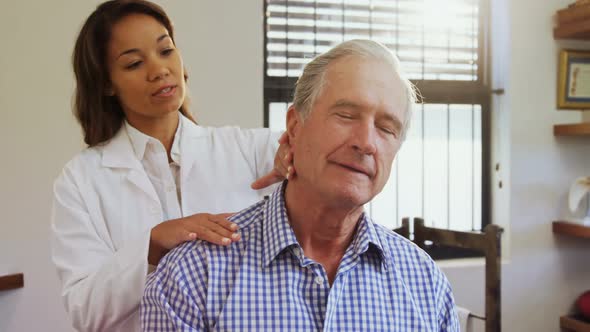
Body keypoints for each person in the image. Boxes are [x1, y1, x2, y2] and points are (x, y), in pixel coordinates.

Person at [141, 39, 460, 331]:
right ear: (294, 126)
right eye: (346, 115)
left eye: (386, 128)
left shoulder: (425, 283)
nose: (365, 142)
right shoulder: (193, 276)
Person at [50, 1, 293, 331]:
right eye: (134, 63)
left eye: (165, 50)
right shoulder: (80, 180)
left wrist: (295, 154)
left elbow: (316, 145)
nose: (159, 70)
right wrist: (152, 244)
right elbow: (86, 312)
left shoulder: (247, 149)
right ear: (106, 84)